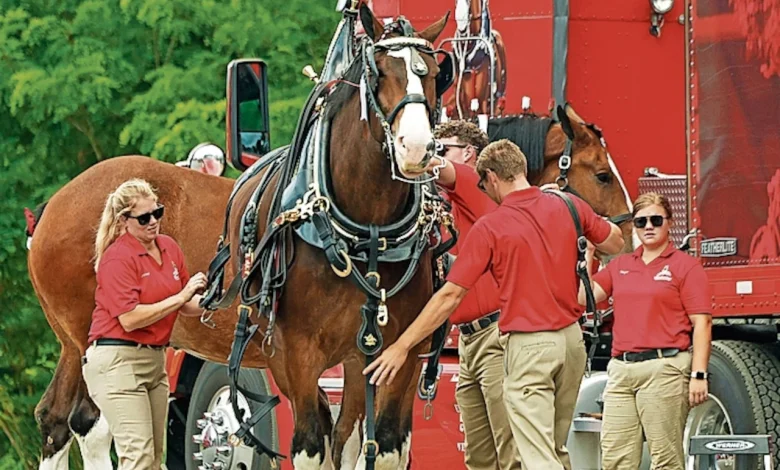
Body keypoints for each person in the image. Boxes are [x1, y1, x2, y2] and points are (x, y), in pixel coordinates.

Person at [364, 139, 625, 470]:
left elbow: (449, 295)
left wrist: (402, 345)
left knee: (534, 456)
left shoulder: (493, 226)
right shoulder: (568, 205)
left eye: (483, 185)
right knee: (552, 449)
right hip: (571, 341)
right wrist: (585, 248)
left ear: (491, 176)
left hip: (528, 344)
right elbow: (615, 241)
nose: (484, 193)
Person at [579, 192, 712, 470]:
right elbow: (584, 297)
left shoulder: (685, 266)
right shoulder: (621, 265)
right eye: (641, 222)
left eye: (655, 220)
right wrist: (590, 254)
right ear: (634, 226)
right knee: (615, 460)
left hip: (664, 368)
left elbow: (702, 323)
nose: (648, 227)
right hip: (621, 371)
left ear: (669, 223)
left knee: (665, 460)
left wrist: (698, 374)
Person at [82, 179, 208, 469]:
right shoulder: (117, 257)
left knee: (154, 459)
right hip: (117, 361)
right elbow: (130, 318)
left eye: (157, 212)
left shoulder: (169, 248)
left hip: (154, 361)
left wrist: (218, 303)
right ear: (124, 221)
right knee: (137, 457)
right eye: (144, 217)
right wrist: (182, 296)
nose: (153, 222)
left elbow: (186, 304)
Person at [425, 121, 521, 470]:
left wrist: (410, 147)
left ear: (468, 153)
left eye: (443, 148)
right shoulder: (452, 200)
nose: (437, 155)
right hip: (470, 338)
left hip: (493, 335)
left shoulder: (470, 181)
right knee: (480, 456)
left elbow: (435, 167)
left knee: (508, 449)